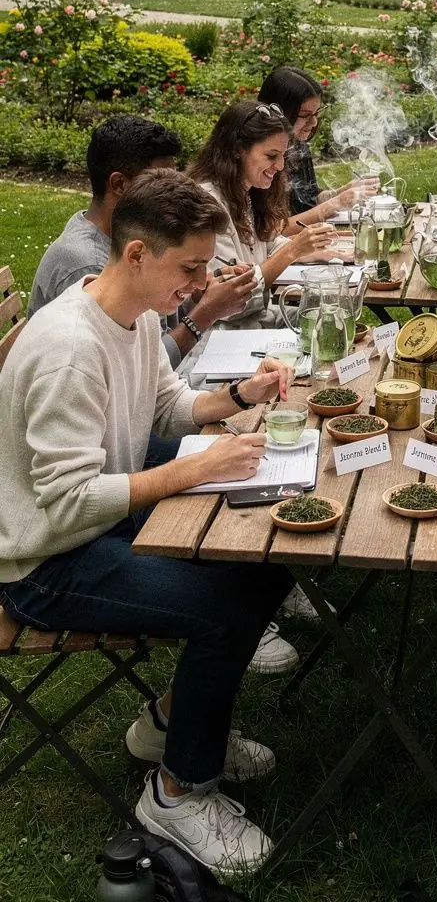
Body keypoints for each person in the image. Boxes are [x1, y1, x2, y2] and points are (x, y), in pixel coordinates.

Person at [0, 171, 299, 875]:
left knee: (266, 562)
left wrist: (241, 393)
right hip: (43, 563)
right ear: (137, 254)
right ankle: (177, 794)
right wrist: (194, 470)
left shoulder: (129, 312)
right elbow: (68, 501)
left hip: (94, 525)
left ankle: (171, 724)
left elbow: (166, 407)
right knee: (225, 608)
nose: (202, 284)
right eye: (190, 268)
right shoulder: (69, 351)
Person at [28, 116, 255, 366]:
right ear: (119, 184)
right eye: (160, 181)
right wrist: (205, 315)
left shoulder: (123, 239)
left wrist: (195, 294)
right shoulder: (89, 266)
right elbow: (140, 369)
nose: (174, 191)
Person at [188, 99, 339, 319]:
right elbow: (232, 297)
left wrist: (312, 250)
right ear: (237, 150)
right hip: (225, 331)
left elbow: (268, 244)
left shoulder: (246, 192)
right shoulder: (207, 203)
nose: (280, 166)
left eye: (282, 156)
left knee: (333, 315)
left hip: (257, 319)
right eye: (271, 156)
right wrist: (294, 250)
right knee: (328, 320)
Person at [258, 66, 378, 225]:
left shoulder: (298, 146)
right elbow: (271, 230)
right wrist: (335, 204)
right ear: (281, 113)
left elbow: (307, 200)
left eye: (316, 113)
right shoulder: (260, 156)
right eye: (305, 115)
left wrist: (342, 192)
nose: (314, 122)